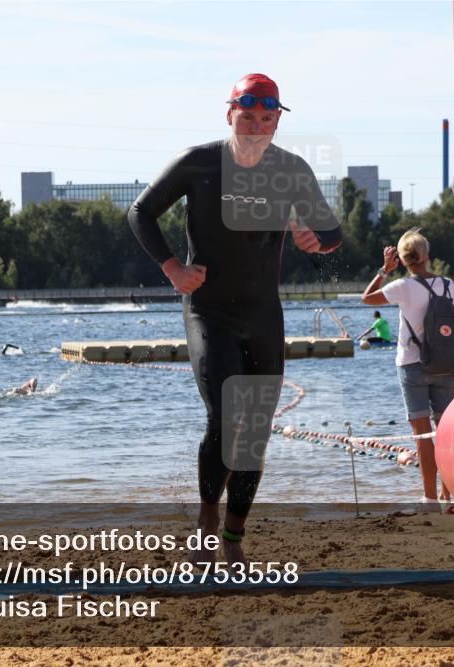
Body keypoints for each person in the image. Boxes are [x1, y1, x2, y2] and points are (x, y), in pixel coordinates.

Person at [128, 73, 341, 563]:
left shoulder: (291, 170)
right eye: (248, 117)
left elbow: (331, 232)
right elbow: (141, 213)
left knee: (256, 430)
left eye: (268, 119)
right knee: (226, 416)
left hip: (263, 312)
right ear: (230, 115)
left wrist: (317, 239)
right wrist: (172, 268)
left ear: (277, 123)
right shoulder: (198, 162)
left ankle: (233, 537)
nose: (257, 127)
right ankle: (207, 514)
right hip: (208, 309)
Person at [360, 229, 454, 513]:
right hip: (445, 364)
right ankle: (448, 497)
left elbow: (367, 298)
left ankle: (429, 500)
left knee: (422, 434)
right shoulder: (447, 285)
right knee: (445, 431)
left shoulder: (401, 286)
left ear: (403, 260)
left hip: (411, 365)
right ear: (427, 255)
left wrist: (384, 269)